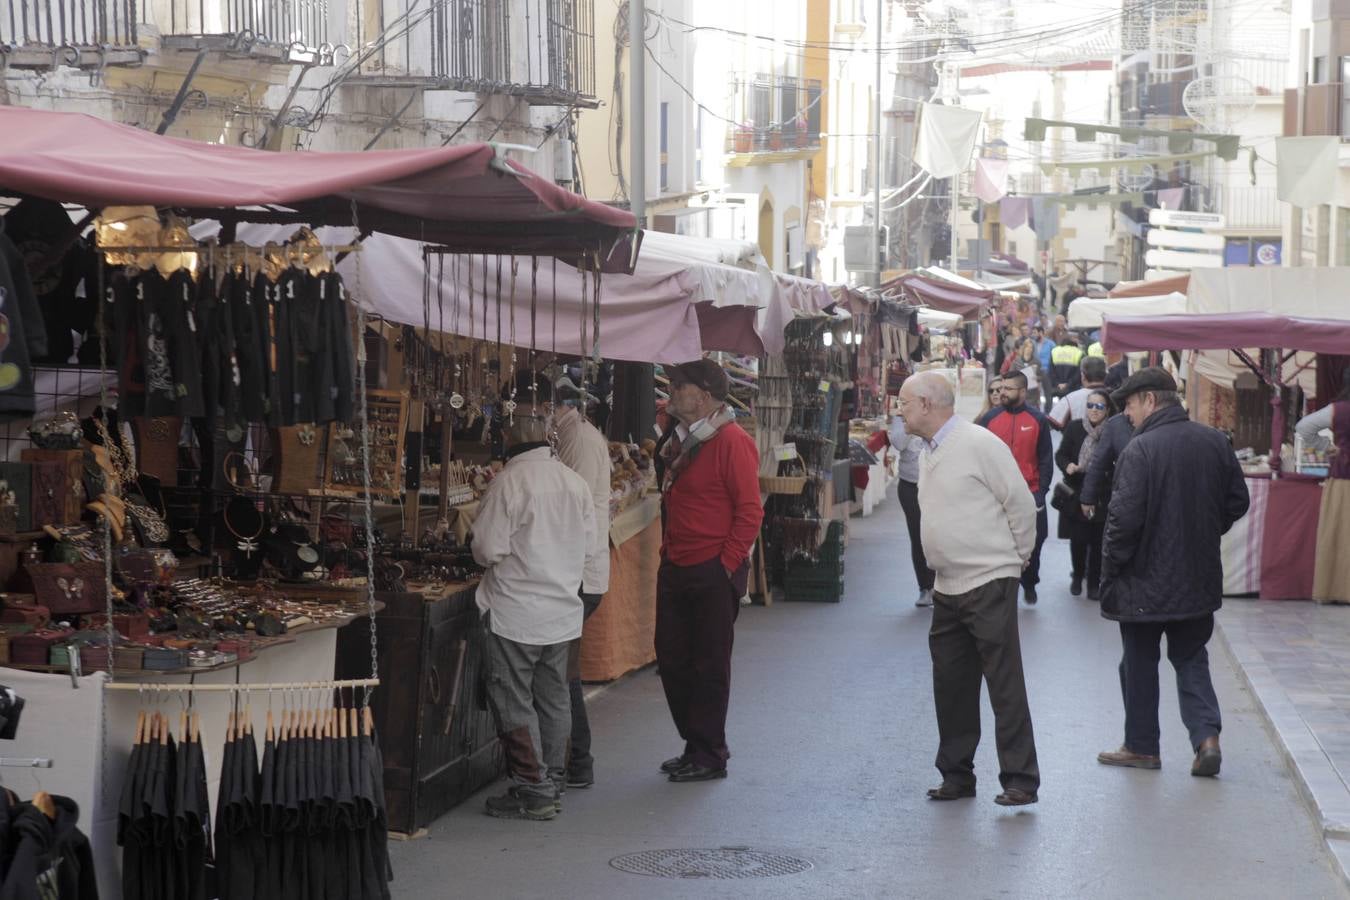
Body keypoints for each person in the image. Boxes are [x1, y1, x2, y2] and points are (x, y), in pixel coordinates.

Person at [1097, 368, 1249, 777]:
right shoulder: (1214, 441)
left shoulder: (1140, 449)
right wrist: (1203, 530)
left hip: (1141, 581)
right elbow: (1238, 501)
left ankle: (1142, 746)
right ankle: (1207, 739)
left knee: (1138, 663)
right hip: (1196, 577)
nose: (1127, 415)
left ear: (1148, 400)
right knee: (1190, 657)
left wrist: (1110, 569)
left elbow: (1123, 522)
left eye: (1128, 405)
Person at [898, 372, 1040, 807]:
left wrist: (1015, 561)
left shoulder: (979, 444)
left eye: (903, 403)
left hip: (988, 579)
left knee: (1003, 683)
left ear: (925, 403)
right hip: (948, 585)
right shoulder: (928, 451)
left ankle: (1020, 779)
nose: (898, 411)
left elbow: (1020, 503)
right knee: (951, 684)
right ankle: (956, 775)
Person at [472, 413, 598, 820]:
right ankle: (553, 779)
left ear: (508, 443)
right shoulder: (574, 482)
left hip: (516, 612)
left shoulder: (509, 482)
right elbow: (589, 545)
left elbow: (487, 549)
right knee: (554, 697)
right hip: (561, 611)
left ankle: (533, 788)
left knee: (513, 698)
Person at [654, 359, 764, 783]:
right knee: (673, 657)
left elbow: (750, 509)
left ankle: (709, 753)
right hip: (678, 562)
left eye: (678, 386)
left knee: (709, 663)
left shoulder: (731, 441)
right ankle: (695, 742)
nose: (670, 392)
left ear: (701, 395)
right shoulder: (683, 439)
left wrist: (727, 564)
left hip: (711, 567)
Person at [534, 374, 613, 790]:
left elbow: (572, 504)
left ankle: (575, 761)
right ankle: (569, 759)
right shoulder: (569, 436)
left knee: (562, 672)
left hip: (579, 574)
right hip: (577, 570)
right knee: (561, 669)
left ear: (554, 406)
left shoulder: (578, 439)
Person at [978, 371, 1053, 605]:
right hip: (995, 495)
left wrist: (1040, 493)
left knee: (1035, 541)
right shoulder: (989, 419)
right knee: (998, 543)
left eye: (1008, 389)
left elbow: (1045, 459)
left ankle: (1029, 582)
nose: (1002, 393)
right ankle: (1003, 586)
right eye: (1000, 388)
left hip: (1029, 493)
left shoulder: (1038, 420)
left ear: (1022, 391)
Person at [1055, 390, 1114, 599]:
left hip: (1102, 493)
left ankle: (1093, 583)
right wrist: (1068, 465)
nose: (1094, 410)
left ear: (1107, 410)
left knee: (1098, 541)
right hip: (1077, 491)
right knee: (1078, 539)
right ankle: (1077, 575)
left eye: (1099, 406)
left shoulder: (1113, 431)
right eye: (1090, 405)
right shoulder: (1074, 428)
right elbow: (1060, 454)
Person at [1299, 372, 1350, 604]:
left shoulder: (1337, 410)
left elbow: (1304, 427)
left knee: (1338, 534)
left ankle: (1333, 589)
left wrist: (1328, 448)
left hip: (1341, 479)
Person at [889, 410, 935, 607]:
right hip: (910, 484)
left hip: (936, 484)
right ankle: (925, 587)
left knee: (937, 536)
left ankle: (940, 587)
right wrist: (911, 420)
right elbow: (899, 443)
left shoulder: (939, 413)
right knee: (918, 537)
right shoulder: (901, 418)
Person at [1049, 355, 1108, 429]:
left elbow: (1053, 422)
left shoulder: (1070, 398)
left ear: (1082, 376)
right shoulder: (1116, 396)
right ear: (1105, 375)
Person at [1048, 334, 1083, 405]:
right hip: (1073, 388)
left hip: (1058, 389)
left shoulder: (1054, 351)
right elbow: (1079, 373)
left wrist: (1058, 383)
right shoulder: (1078, 352)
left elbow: (1051, 371)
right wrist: (1068, 384)